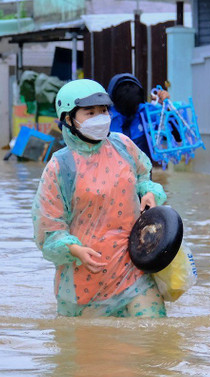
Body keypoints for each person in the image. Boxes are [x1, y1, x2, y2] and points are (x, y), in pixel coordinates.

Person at [32, 79, 168, 318]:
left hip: (134, 267)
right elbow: (49, 228)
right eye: (90, 112)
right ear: (68, 119)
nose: (100, 117)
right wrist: (74, 249)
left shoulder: (123, 146)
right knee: (93, 351)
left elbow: (143, 176)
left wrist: (149, 192)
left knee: (154, 336)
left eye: (104, 111)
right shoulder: (59, 167)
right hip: (87, 277)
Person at [107, 73, 170, 161]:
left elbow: (169, 121)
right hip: (114, 169)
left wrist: (164, 104)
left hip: (141, 168)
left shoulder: (146, 111)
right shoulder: (106, 115)